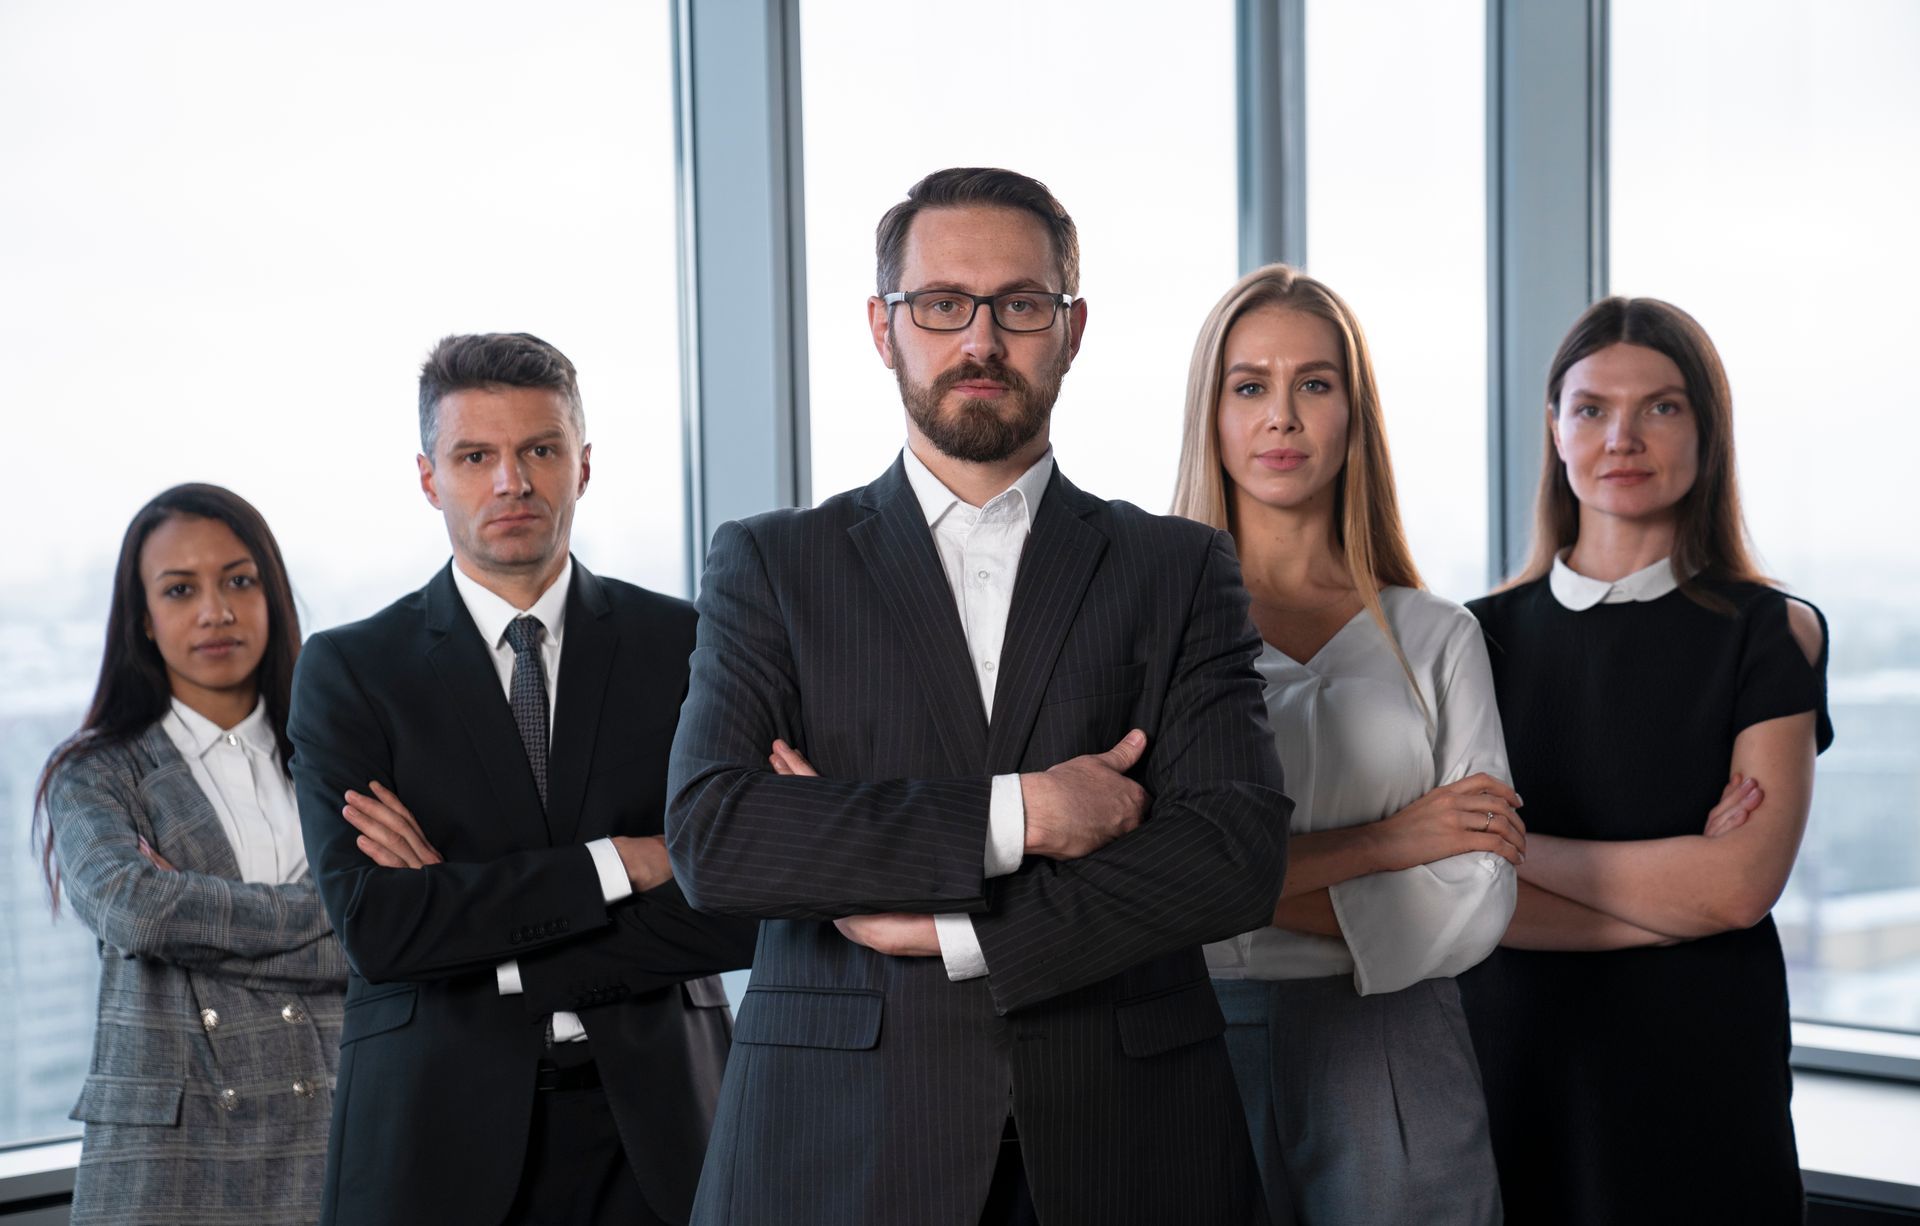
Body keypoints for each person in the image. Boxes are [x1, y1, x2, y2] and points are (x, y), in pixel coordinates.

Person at [665, 167, 1288, 1226]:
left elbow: (1233, 854)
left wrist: (956, 930)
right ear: (883, 325)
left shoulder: (1177, 567)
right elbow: (718, 831)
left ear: (1072, 327)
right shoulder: (772, 563)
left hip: (1125, 1136)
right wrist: (1026, 813)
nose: (981, 340)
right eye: (943, 304)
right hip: (839, 1142)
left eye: (1021, 305)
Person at [287, 333, 760, 1226]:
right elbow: (379, 929)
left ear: (583, 466)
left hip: (665, 1127)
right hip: (435, 1134)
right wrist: (625, 862)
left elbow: (740, 902)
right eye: (476, 456)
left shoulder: (687, 645)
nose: (512, 480)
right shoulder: (352, 671)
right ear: (430, 478)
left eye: (540, 450)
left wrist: (471, 927)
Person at [1459, 297, 1831, 1225]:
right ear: (1555, 428)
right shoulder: (1473, 639)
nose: (1623, 436)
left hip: (1706, 1071)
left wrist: (1513, 844)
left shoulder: (1773, 631)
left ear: (1707, 429)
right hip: (1522, 1060)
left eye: (1661, 407)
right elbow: (1465, 903)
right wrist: (1676, 899)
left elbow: (1740, 890)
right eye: (1592, 409)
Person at [1171, 265, 1515, 1225]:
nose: (1282, 416)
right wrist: (1396, 842)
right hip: (1189, 1034)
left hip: (1396, 1046)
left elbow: (1480, 897)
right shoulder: (1150, 628)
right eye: (1250, 386)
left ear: (1354, 414)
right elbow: (1139, 874)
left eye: (1314, 384)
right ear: (1214, 410)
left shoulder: (1439, 636)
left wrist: (1229, 888)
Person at [34, 483, 346, 1226]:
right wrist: (333, 913)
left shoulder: (341, 756)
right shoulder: (95, 772)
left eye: (239, 580)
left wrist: (194, 918)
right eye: (180, 590)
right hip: (172, 1154)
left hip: (335, 1125)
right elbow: (137, 911)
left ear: (272, 594)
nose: (216, 611)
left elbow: (397, 927)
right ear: (143, 619)